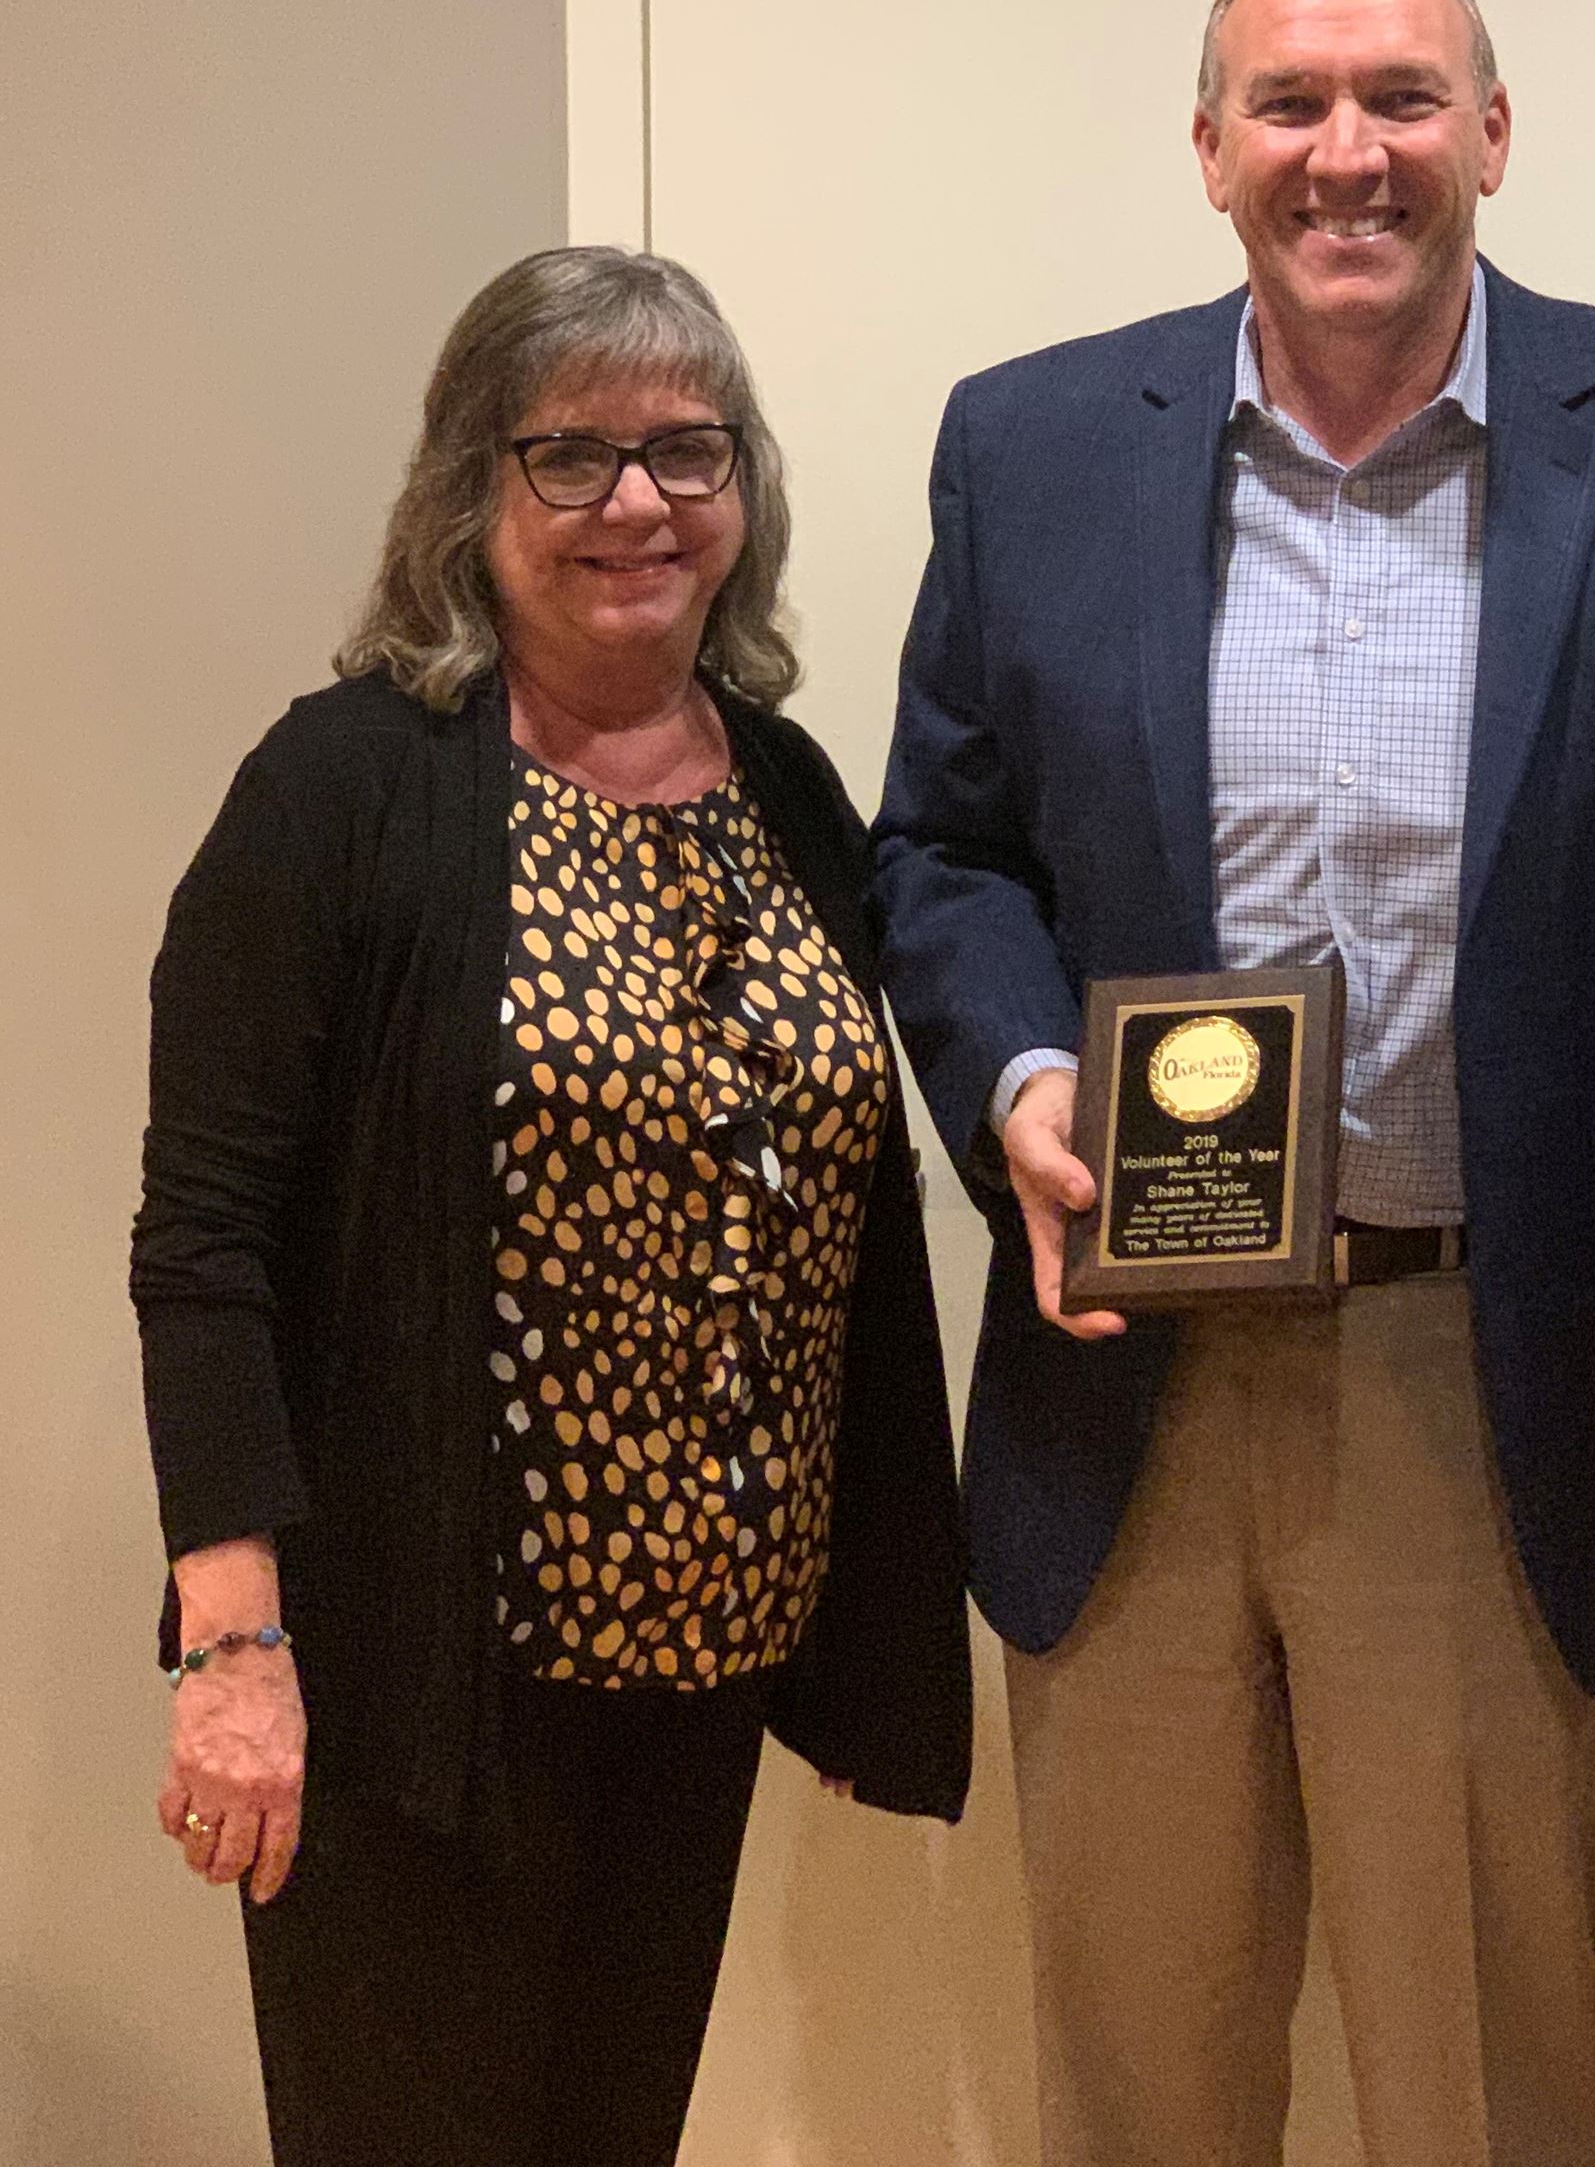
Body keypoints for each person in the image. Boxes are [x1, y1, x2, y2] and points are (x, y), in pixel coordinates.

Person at [870, 0, 1595, 2167]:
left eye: (1402, 96)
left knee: (1482, 2089)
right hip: (1131, 1379)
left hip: (1481, 1379)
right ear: (1208, 147)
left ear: (1491, 131)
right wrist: (1018, 1079)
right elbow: (945, 847)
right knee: (1143, 2081)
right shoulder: (1030, 441)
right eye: (1289, 101)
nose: (1347, 151)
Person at [131, 245, 972, 2167]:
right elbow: (204, 1245)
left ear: (744, 488)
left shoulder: (787, 791)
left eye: (688, 450)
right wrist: (233, 1649)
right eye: (571, 455)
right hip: (417, 1685)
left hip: (701, 1677)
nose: (638, 503)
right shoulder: (342, 786)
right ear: (470, 492)